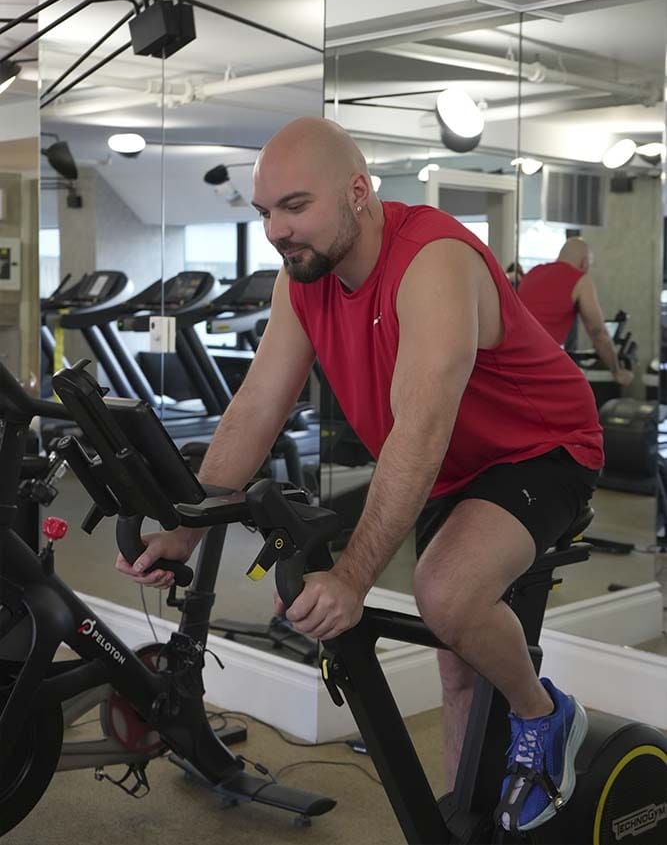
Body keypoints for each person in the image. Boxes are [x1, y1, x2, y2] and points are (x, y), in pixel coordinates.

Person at [116, 117, 603, 834]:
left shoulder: (431, 260)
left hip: (542, 447)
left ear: (356, 192)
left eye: (295, 206)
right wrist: (189, 527)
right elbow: (256, 404)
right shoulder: (303, 279)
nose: (277, 230)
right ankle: (462, 819)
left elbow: (421, 429)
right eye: (265, 212)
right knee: (455, 657)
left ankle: (544, 713)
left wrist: (351, 576)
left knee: (445, 591)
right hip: (455, 464)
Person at [517, 238, 634, 387]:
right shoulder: (580, 280)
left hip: (514, 358)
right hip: (538, 363)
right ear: (584, 263)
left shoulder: (533, 272)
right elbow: (598, 333)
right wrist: (617, 371)